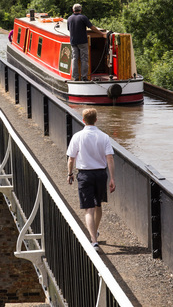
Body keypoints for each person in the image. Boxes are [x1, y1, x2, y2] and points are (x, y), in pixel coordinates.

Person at [66, 108, 116, 251]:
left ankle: (94, 241)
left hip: (84, 175)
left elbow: (71, 159)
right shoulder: (104, 136)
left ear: (83, 120)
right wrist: (112, 178)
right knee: (98, 204)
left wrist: (70, 174)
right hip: (101, 174)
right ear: (96, 120)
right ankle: (96, 230)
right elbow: (110, 158)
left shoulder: (77, 136)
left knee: (89, 209)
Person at [66, 4, 106, 81]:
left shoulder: (69, 18)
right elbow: (92, 27)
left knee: (74, 59)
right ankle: (84, 77)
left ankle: (75, 77)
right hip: (82, 42)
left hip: (73, 42)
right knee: (84, 59)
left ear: (73, 10)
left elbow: (69, 29)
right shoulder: (83, 17)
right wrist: (101, 33)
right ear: (80, 10)